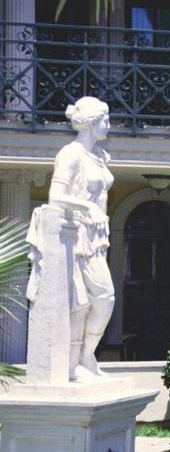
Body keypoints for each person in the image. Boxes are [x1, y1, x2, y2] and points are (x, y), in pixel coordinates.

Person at [27, 97, 115, 382]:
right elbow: (56, 197)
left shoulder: (100, 156)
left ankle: (86, 357)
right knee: (83, 301)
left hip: (96, 238)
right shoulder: (71, 154)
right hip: (75, 236)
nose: (109, 125)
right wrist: (87, 206)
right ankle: (74, 364)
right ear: (90, 122)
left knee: (102, 298)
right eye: (105, 119)